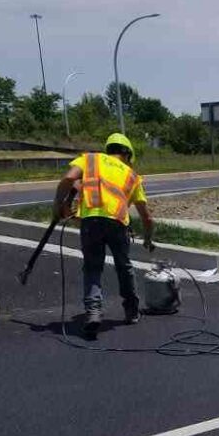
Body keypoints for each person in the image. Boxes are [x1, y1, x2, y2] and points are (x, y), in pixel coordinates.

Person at [53, 132, 155, 338]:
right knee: (124, 266)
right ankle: (131, 310)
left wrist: (58, 206)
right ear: (127, 154)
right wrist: (148, 238)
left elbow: (68, 178)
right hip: (117, 224)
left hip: (91, 222)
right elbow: (147, 217)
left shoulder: (90, 159)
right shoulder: (131, 175)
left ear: (108, 149)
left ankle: (93, 312)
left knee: (92, 267)